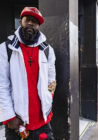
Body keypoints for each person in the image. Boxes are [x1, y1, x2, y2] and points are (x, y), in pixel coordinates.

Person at [0, 7, 56, 140]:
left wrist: (48, 100)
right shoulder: (6, 49)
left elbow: (51, 80)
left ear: (39, 26)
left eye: (35, 21)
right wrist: (10, 117)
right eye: (28, 19)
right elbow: (2, 85)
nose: (31, 23)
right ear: (21, 21)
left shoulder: (47, 50)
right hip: (17, 122)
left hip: (43, 121)